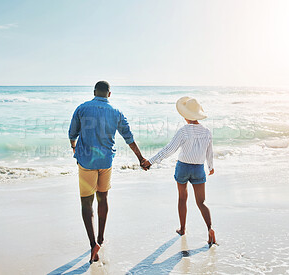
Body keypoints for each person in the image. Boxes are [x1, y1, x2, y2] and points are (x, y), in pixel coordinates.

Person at [68, 81, 148, 263]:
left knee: (86, 203)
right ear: (109, 94)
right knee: (103, 198)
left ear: (94, 92)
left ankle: (92, 244)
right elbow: (129, 137)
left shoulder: (81, 108)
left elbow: (72, 134)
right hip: (106, 162)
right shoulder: (116, 112)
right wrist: (140, 159)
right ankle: (101, 239)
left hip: (86, 162)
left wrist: (74, 148)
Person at [141, 96, 217, 247]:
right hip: (198, 168)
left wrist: (150, 161)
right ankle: (210, 228)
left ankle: (182, 229)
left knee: (183, 198)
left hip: (183, 167)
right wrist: (210, 167)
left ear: (186, 116)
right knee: (201, 202)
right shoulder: (207, 132)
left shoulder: (183, 131)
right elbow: (210, 152)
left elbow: (169, 150)